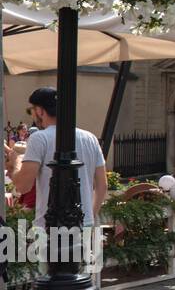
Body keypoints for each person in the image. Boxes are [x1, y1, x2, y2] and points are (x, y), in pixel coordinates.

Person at [6, 87, 108, 231]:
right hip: (83, 226)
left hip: (49, 227)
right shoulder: (90, 138)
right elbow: (102, 186)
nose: (32, 116)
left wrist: (16, 163)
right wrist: (89, 217)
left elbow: (23, 186)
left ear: (40, 111)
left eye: (32, 111)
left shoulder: (39, 138)